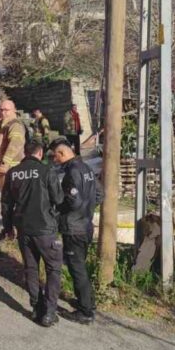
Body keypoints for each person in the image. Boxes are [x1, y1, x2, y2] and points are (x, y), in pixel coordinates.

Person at [2, 139, 65, 327]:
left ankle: (36, 308)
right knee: (53, 268)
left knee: (31, 268)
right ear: (39, 153)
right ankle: (50, 312)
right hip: (45, 229)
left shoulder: (13, 174)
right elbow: (58, 198)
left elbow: (6, 205)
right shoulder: (47, 171)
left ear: (25, 153)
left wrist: (8, 228)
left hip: (24, 230)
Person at [52, 138, 103, 325]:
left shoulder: (72, 172)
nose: (54, 160)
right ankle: (88, 302)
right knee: (80, 266)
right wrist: (88, 210)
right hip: (86, 226)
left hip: (74, 228)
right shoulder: (86, 168)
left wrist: (58, 211)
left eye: (55, 157)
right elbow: (99, 194)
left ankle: (85, 311)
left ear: (62, 154)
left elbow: (72, 201)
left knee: (77, 269)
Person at [0, 99, 26, 193]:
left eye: (6, 110)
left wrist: (5, 163)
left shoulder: (15, 125)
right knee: (5, 201)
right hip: (4, 171)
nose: (2, 112)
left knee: (9, 202)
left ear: (14, 110)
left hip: (11, 171)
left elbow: (16, 143)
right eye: (1, 110)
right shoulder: (5, 125)